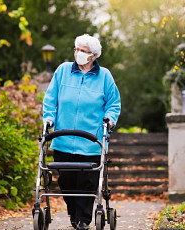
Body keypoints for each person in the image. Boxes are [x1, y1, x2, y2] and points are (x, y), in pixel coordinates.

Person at [43, 34, 121, 230]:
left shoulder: (104, 76)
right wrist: (48, 117)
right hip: (63, 138)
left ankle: (83, 220)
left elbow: (113, 103)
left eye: (83, 50)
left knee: (87, 182)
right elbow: (50, 98)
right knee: (66, 180)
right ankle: (74, 215)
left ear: (93, 55)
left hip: (91, 141)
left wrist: (109, 119)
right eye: (76, 49)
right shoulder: (62, 71)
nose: (78, 53)